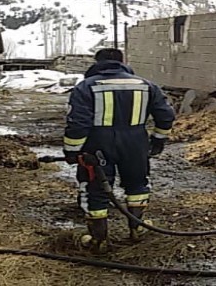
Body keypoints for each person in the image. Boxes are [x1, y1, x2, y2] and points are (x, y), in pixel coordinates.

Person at [64, 49, 175, 252]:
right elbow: (166, 114)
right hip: (135, 142)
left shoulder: (86, 87)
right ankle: (137, 229)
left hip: (97, 145)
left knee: (95, 188)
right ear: (122, 62)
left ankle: (99, 240)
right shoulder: (146, 85)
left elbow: (77, 123)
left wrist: (72, 151)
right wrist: (159, 139)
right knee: (137, 184)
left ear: (97, 62)